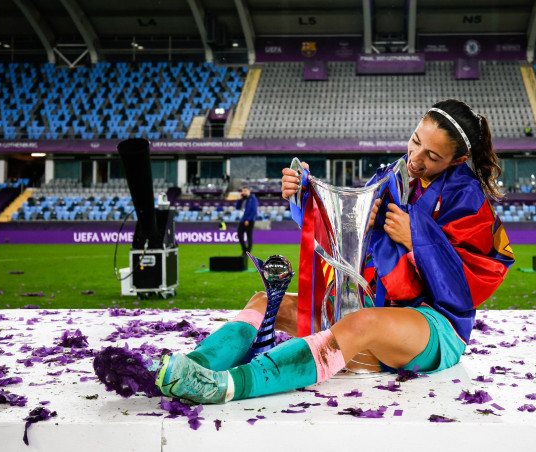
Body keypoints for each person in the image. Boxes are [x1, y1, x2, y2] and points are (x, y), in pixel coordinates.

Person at [154, 99, 515, 404]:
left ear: (457, 160)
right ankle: (190, 367)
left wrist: (415, 236)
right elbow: (344, 234)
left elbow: (465, 289)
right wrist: (303, 196)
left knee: (362, 323)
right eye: (414, 141)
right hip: (382, 302)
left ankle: (225, 387)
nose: (416, 158)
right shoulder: (393, 176)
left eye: (432, 156)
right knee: (264, 302)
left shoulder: (468, 199)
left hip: (435, 325)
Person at [235, 186, 258, 256]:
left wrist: (248, 219)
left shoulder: (253, 199)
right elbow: (237, 207)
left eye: (245, 191)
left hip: (250, 220)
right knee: (239, 234)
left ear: (249, 191)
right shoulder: (243, 199)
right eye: (242, 191)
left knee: (249, 236)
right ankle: (244, 249)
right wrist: (239, 199)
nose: (243, 192)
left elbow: (254, 211)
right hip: (242, 219)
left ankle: (248, 251)